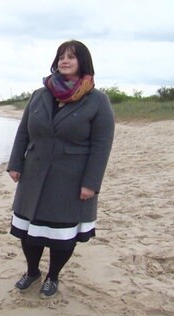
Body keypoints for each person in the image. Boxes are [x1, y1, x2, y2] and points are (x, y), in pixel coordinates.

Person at [7, 40, 115, 299]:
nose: (65, 61)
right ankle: (32, 271)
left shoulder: (97, 100)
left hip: (71, 179)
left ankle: (53, 276)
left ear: (83, 62)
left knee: (62, 235)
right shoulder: (40, 94)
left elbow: (102, 145)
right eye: (61, 57)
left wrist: (91, 183)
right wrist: (15, 164)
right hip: (34, 173)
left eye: (71, 57)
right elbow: (23, 132)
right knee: (28, 231)